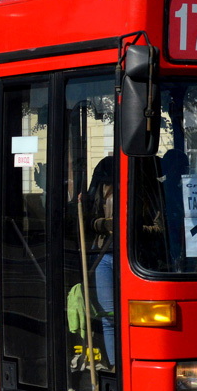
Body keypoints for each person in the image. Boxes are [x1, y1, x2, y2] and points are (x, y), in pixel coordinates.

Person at [85, 156, 116, 370]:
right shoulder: (97, 193)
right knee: (108, 316)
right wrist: (103, 225)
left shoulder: (136, 190)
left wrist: (127, 227)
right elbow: (87, 221)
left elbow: (156, 226)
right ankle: (114, 365)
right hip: (103, 256)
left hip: (127, 258)